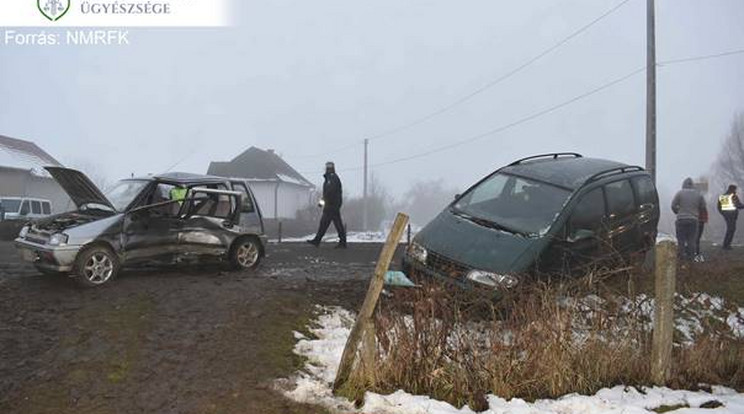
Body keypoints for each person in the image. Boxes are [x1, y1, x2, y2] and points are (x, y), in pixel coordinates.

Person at [307, 162, 347, 248]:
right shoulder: (331, 178)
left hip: (331, 205)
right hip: (333, 205)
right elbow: (328, 192)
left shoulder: (331, 178)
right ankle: (318, 240)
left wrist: (321, 203)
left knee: (327, 223)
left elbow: (328, 192)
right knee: (330, 223)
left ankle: (318, 240)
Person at [671, 178, 706, 261]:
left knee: (681, 240)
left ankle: (681, 258)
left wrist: (677, 212)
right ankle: (691, 258)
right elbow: (703, 207)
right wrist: (696, 212)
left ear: (683, 184)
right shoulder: (698, 194)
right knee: (692, 240)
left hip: (681, 220)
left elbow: (673, 205)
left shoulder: (679, 193)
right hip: (693, 220)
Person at [717, 184, 744, 250]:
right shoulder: (733, 196)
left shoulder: (722, 196)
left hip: (726, 216)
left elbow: (719, 207)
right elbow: (738, 205)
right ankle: (726, 245)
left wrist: (723, 214)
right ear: (732, 189)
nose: (735, 191)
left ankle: (726, 245)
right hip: (732, 215)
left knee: (730, 229)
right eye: (735, 190)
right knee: (731, 229)